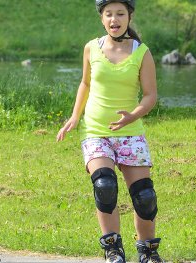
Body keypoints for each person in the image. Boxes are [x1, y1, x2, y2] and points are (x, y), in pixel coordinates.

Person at [55, 0, 163, 262]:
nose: (114, 19)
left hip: (131, 132)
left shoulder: (142, 52)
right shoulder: (91, 48)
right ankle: (113, 249)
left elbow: (150, 96)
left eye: (120, 14)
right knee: (104, 186)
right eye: (109, 14)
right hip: (95, 131)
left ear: (129, 17)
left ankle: (148, 251)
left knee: (144, 197)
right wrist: (74, 115)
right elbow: (85, 83)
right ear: (102, 18)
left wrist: (133, 116)